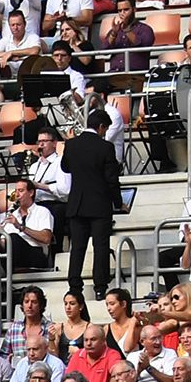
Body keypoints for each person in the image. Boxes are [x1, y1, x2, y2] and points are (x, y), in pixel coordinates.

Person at [61, 111, 121, 303]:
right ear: (101, 126)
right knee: (100, 246)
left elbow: (65, 167)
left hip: (77, 204)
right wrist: (119, 203)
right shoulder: (106, 147)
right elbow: (112, 180)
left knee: (77, 247)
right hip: (99, 204)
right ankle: (100, 288)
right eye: (106, 129)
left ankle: (74, 287)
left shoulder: (71, 144)